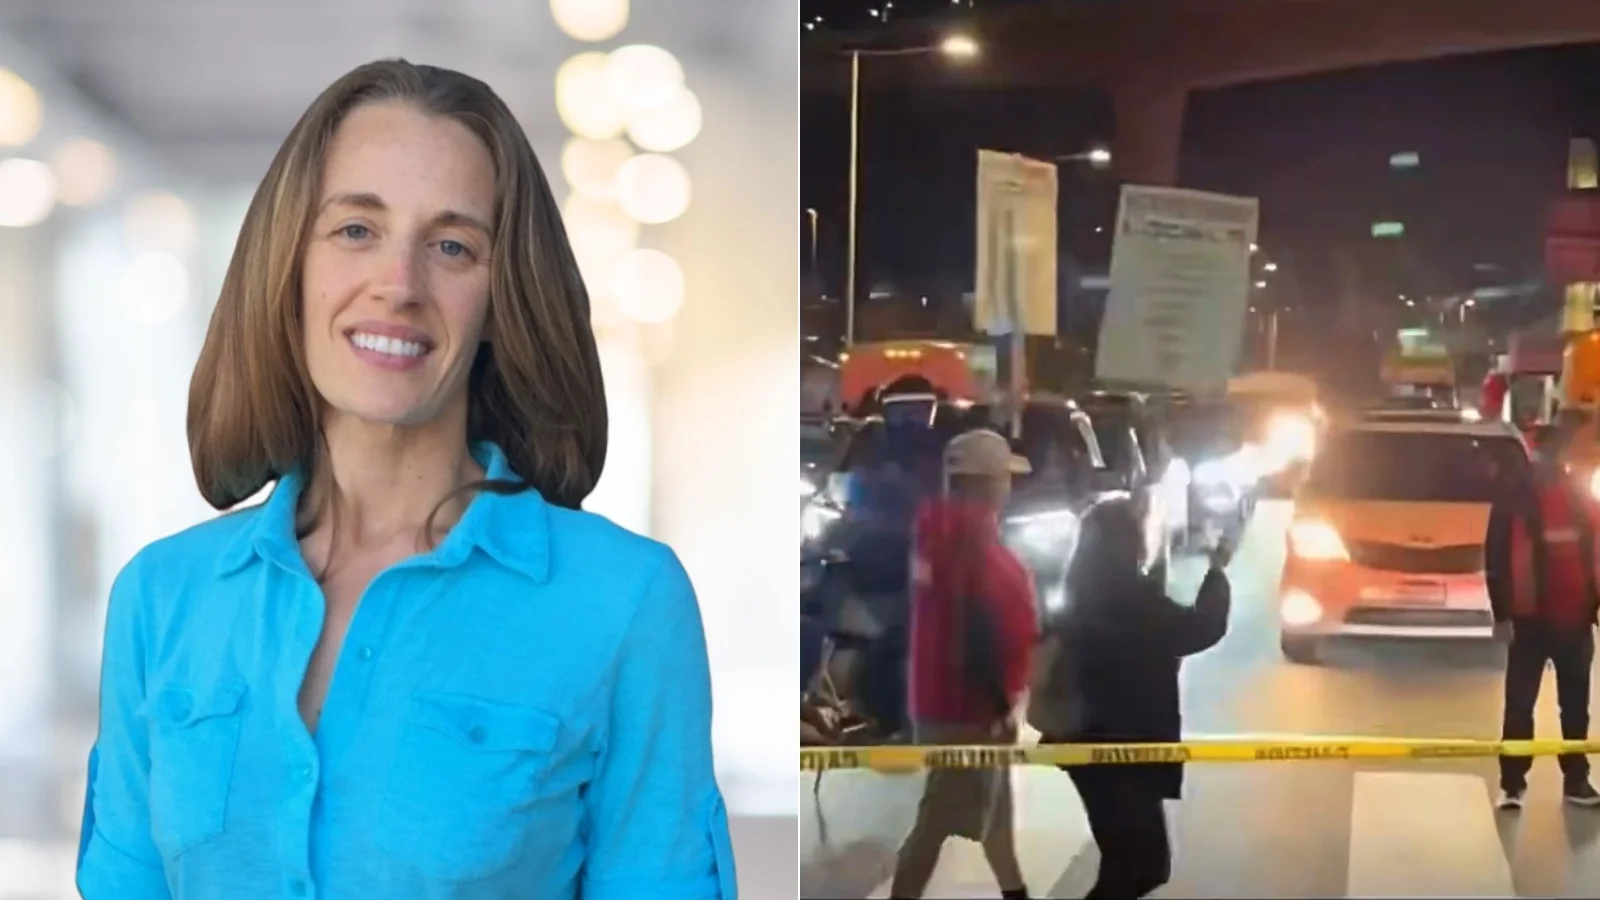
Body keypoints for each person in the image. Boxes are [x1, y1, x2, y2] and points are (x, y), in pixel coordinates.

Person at [75, 61, 733, 899]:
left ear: (501, 298)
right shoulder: (160, 598)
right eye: (356, 230)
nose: (399, 284)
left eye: (452, 246)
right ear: (292, 265)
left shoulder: (626, 603)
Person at [1029, 502, 1231, 900]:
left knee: (1125, 862)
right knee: (1144, 866)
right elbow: (1200, 627)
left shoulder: (1077, 595)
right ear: (1130, 543)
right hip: (1126, 753)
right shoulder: (1136, 601)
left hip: (1086, 750)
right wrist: (1218, 571)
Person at [889, 429, 1037, 900]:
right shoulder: (970, 547)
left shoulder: (939, 536)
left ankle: (1015, 891)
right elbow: (977, 634)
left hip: (941, 699)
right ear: (987, 483)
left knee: (996, 809)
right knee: (937, 821)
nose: (1010, 488)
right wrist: (998, 708)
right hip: (967, 710)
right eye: (1005, 478)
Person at [1487, 416, 1600, 810]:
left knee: (1574, 707)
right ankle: (1513, 784)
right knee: (1520, 704)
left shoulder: (1580, 496)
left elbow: (1595, 554)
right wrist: (1502, 615)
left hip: (1572, 619)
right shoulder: (1516, 495)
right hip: (1529, 619)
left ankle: (1576, 779)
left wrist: (1594, 606)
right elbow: (1497, 552)